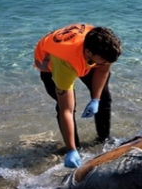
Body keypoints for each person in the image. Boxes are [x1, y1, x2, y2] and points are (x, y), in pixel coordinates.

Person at [34, 23, 122, 168]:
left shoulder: (104, 47)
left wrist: (96, 99)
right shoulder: (65, 63)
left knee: (104, 97)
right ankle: (74, 150)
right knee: (67, 106)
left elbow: (102, 69)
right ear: (88, 53)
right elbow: (66, 110)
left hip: (83, 55)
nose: (107, 64)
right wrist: (71, 150)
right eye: (104, 61)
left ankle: (104, 139)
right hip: (51, 65)